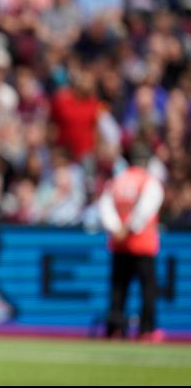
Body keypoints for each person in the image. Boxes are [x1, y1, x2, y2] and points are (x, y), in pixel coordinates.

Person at [98, 142, 165, 342]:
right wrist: (129, 228)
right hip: (142, 244)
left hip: (119, 244)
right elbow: (146, 208)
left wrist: (117, 229)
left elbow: (105, 206)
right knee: (148, 289)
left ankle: (115, 328)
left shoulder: (118, 180)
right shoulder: (148, 181)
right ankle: (146, 330)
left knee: (118, 289)